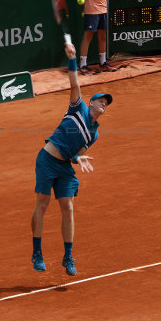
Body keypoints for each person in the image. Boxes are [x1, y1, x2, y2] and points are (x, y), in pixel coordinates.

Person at [31, 41, 113, 276]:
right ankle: (37, 252)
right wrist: (72, 58)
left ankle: (68, 256)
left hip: (65, 166)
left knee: (67, 207)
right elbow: (74, 81)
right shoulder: (78, 108)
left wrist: (79, 160)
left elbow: (78, 153)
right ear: (91, 103)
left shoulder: (94, 134)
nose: (104, 104)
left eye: (106, 103)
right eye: (101, 100)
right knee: (43, 203)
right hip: (47, 160)